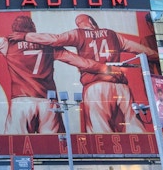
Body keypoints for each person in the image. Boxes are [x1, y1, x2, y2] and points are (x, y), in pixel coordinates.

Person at [0, 14, 106, 134]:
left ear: (15, 30)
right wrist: (106, 69)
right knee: (55, 149)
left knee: (14, 149)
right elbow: (81, 62)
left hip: (20, 103)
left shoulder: (6, 43)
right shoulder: (50, 47)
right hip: (48, 103)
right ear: (33, 30)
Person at [24, 14, 156, 133]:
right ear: (93, 22)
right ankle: (152, 155)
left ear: (80, 25)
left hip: (95, 85)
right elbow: (145, 52)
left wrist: (26, 36)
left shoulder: (78, 34)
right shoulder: (113, 34)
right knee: (133, 123)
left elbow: (55, 40)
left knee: (100, 127)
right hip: (121, 86)